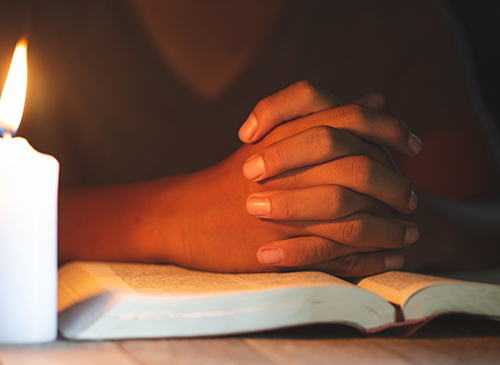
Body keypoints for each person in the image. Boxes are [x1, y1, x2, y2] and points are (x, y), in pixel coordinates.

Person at [2, 0, 500, 277]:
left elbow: (485, 213)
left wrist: (410, 226)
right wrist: (174, 218)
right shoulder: (36, 16)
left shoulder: (385, 20)